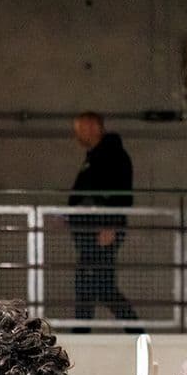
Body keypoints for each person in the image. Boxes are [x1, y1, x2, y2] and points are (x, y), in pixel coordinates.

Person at [68, 111, 137, 325]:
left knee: (97, 285)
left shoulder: (111, 155)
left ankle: (136, 332)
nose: (78, 135)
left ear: (94, 128)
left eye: (81, 129)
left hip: (100, 230)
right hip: (91, 230)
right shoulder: (95, 157)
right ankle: (134, 332)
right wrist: (69, 214)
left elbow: (121, 192)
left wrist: (111, 224)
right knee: (92, 284)